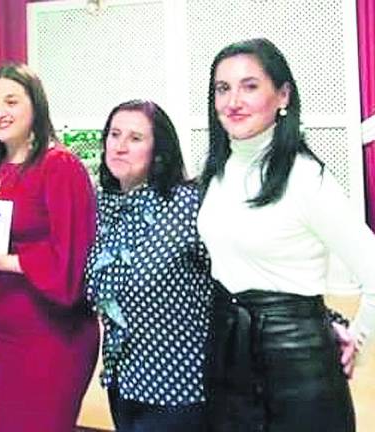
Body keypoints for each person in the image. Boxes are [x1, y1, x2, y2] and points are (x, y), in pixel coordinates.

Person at [198, 37, 375, 431]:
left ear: (283, 95)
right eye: (222, 88)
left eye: (250, 86)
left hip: (297, 366)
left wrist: (357, 345)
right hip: (228, 354)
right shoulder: (218, 172)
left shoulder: (304, 177)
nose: (233, 101)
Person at [0, 63, 99, 431]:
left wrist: (7, 262)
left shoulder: (61, 167)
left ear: (35, 106)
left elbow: (72, 258)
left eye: (11, 101)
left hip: (50, 332)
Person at [84, 100, 211, 431]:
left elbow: (242, 271)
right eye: (114, 135)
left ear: (159, 150)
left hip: (180, 387)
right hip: (122, 380)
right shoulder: (102, 207)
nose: (121, 147)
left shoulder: (189, 203)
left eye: (135, 138)